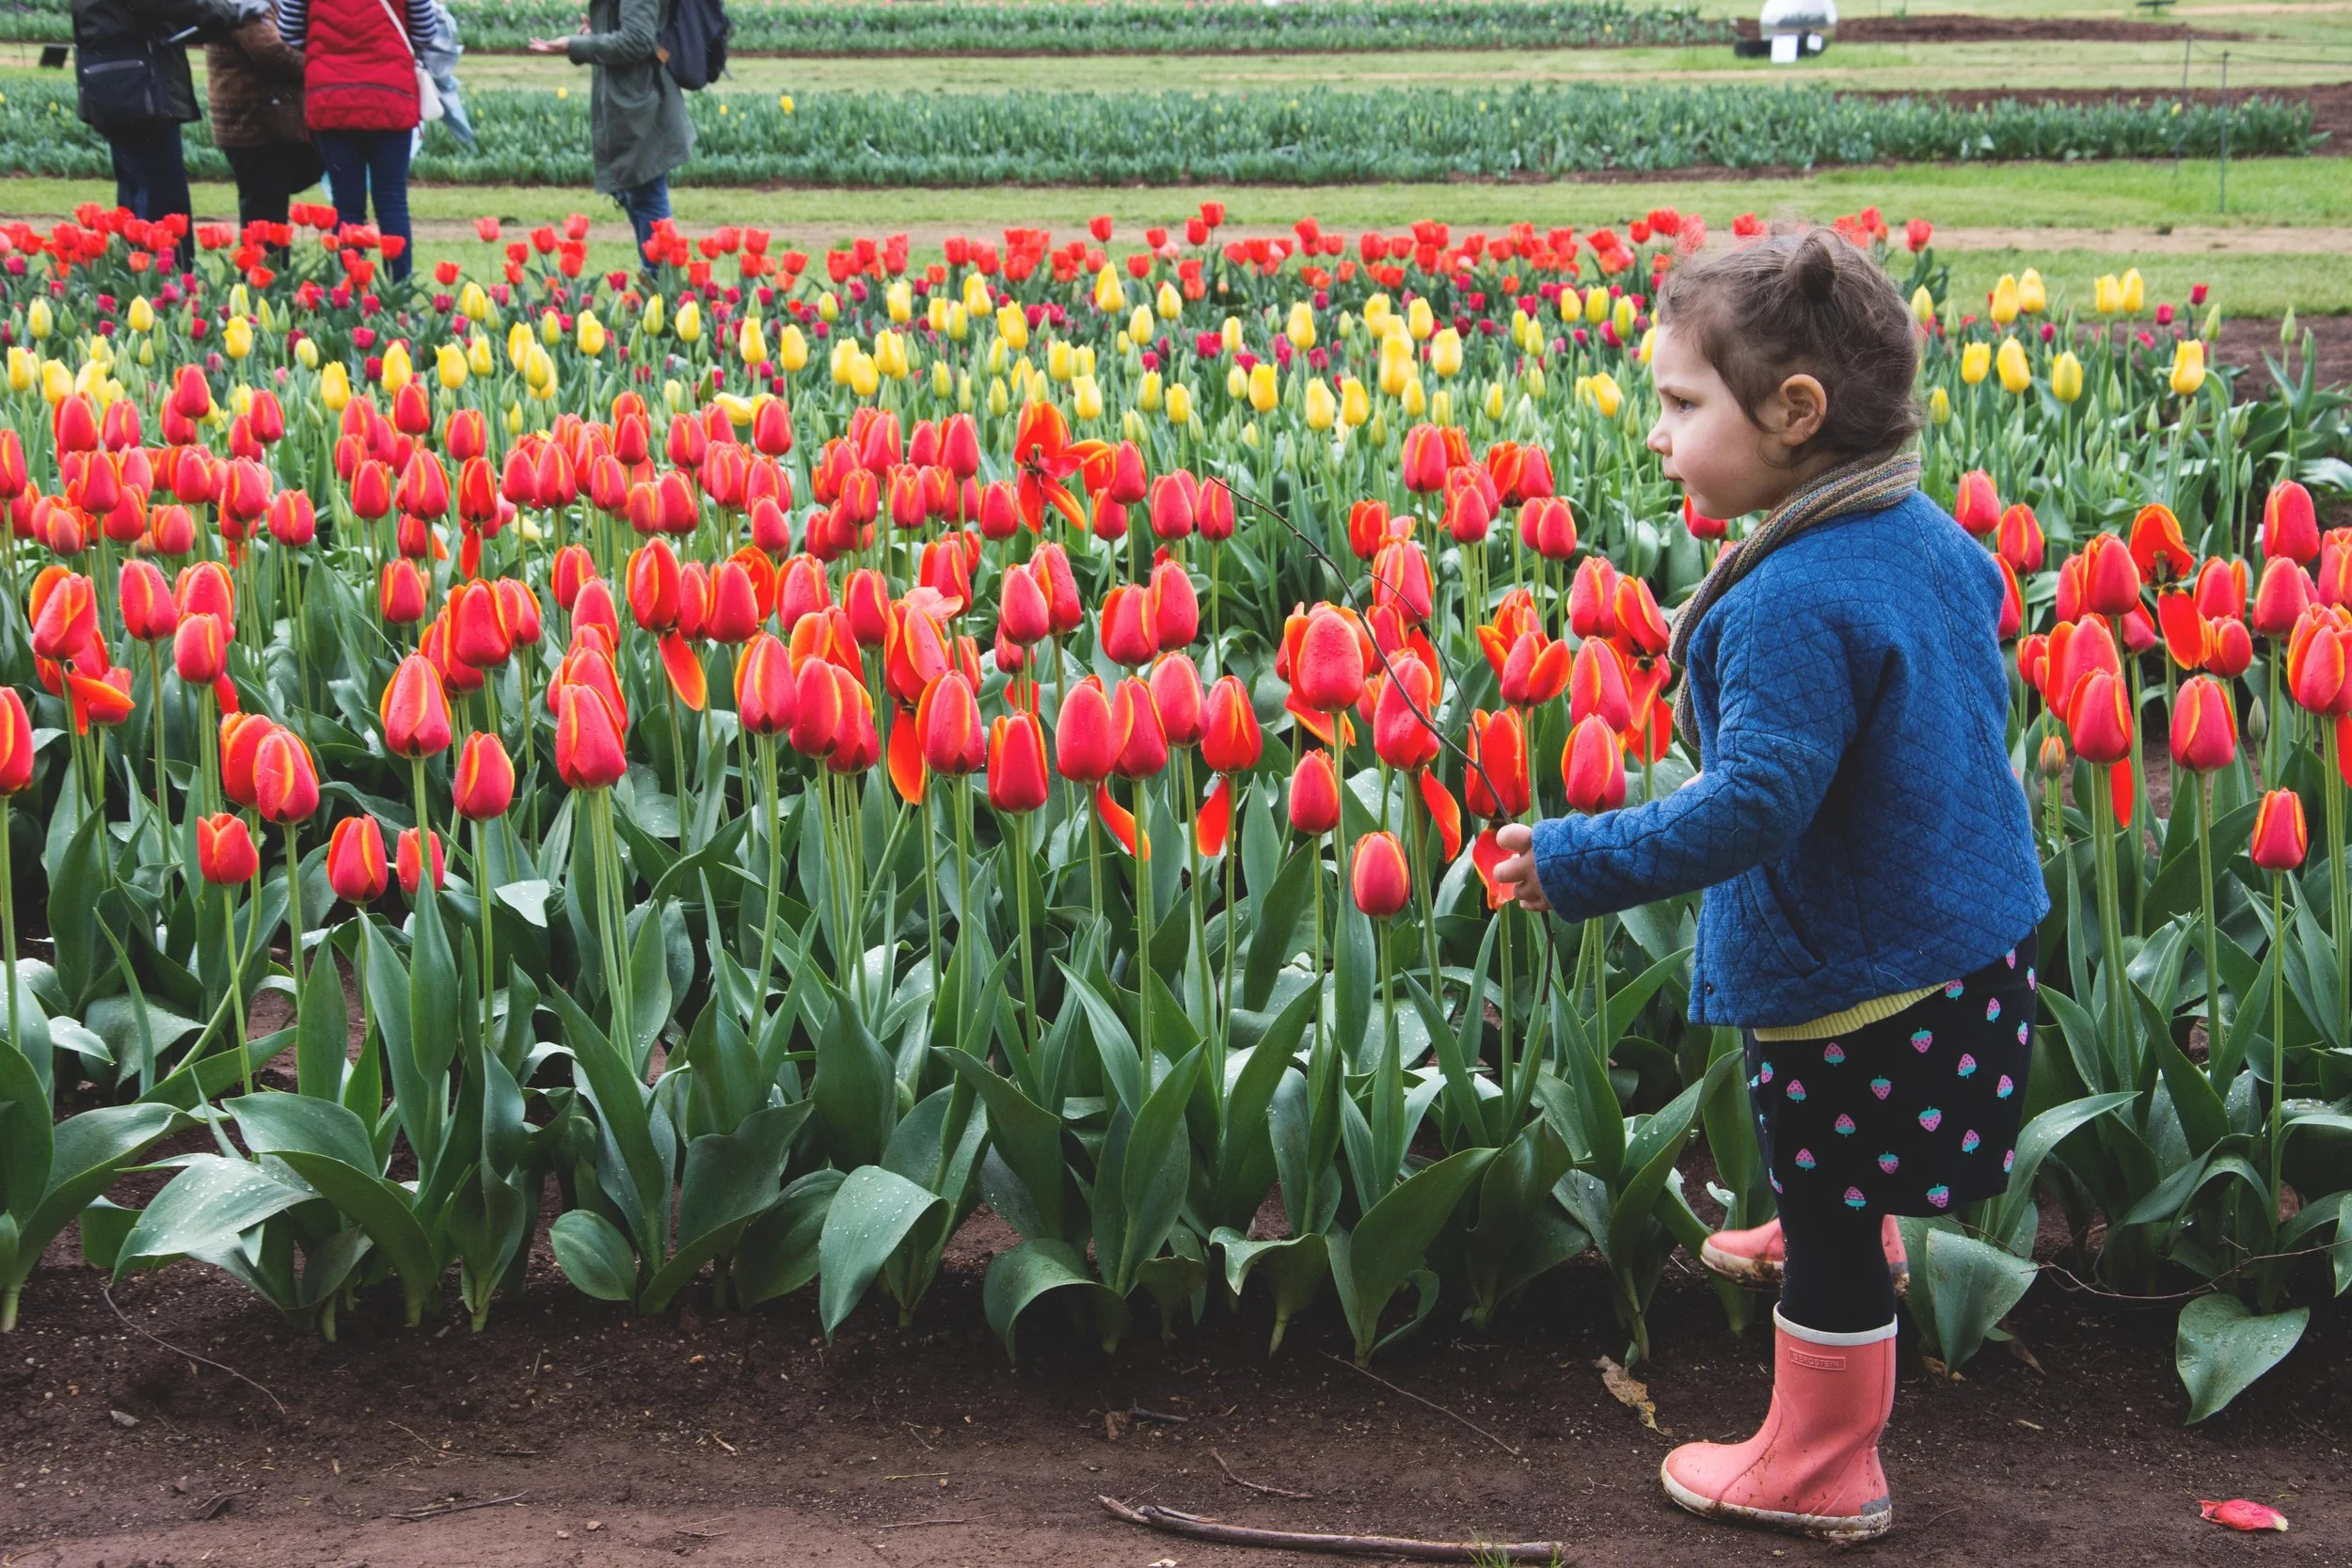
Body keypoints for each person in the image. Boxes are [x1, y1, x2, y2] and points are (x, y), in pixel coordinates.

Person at [1490, 228, 2046, 1544]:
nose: (1659, 431)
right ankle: (1833, 1219)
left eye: (1683, 403)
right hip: (1966, 943)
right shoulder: (1923, 534)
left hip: (1869, 985)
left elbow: (1753, 806)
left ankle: (1824, 1455)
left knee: (1832, 1186)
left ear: (1794, 416)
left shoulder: (1794, 599)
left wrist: (1576, 856)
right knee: (1834, 1160)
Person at [526, 0, 692, 281]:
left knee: (647, 194)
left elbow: (637, 41)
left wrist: (574, 45)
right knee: (636, 194)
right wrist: (600, 31)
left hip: (642, 104)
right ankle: (659, 287)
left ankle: (663, 288)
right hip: (633, 99)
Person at [71, 0, 232, 264]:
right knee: (159, 195)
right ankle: (162, 283)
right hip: (142, 89)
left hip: (111, 83)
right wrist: (228, 10)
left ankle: (140, 278)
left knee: (134, 189)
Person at [278, 0, 428, 280]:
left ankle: (351, 296)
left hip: (331, 97)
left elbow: (290, 33)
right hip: (390, 94)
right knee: (393, 202)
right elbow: (425, 31)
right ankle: (399, 296)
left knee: (347, 206)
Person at [205, 0, 321, 231]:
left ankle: (266, 264)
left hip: (257, 120)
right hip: (254, 122)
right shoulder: (245, 5)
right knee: (265, 212)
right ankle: (264, 265)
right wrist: (323, 68)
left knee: (267, 206)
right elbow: (271, 52)